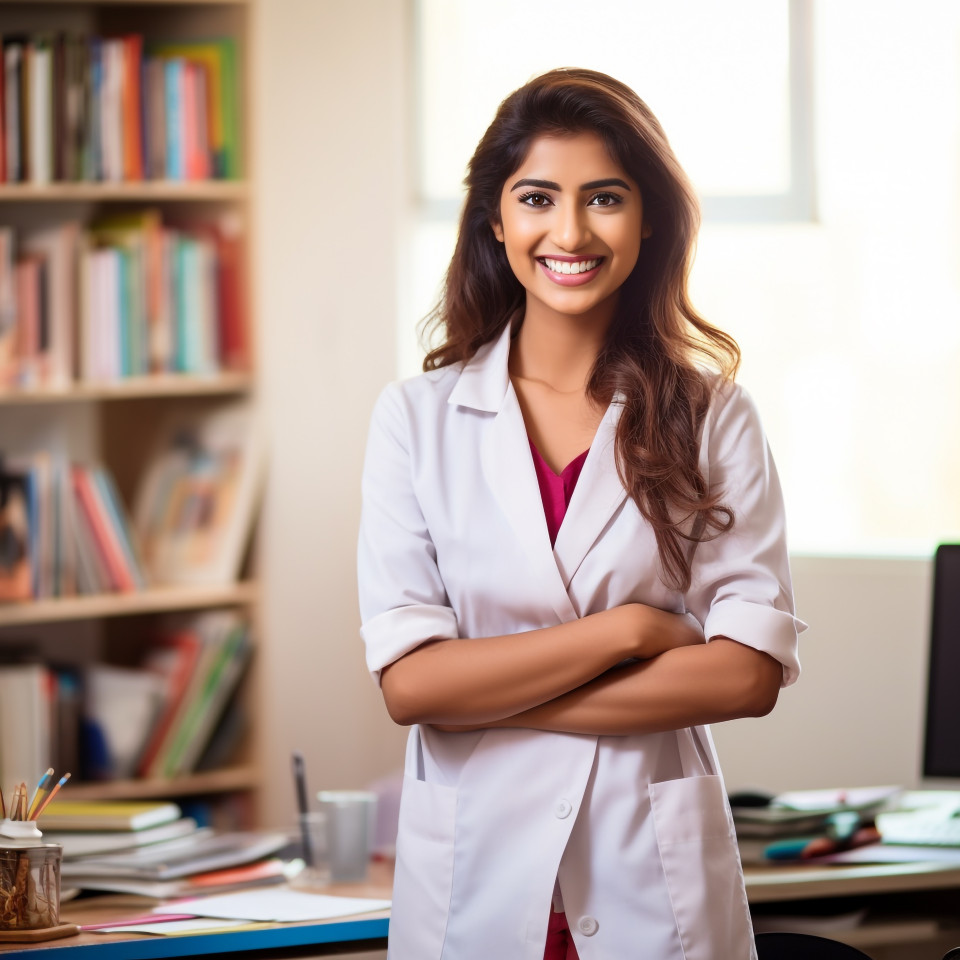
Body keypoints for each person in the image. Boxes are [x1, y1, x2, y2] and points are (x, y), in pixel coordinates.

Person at [358, 67, 804, 960]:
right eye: (537, 198)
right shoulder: (416, 419)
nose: (570, 233)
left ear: (649, 219)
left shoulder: (713, 416)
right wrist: (629, 631)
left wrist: (484, 695)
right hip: (477, 886)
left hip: (649, 885)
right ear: (495, 219)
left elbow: (745, 678)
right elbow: (411, 687)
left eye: (604, 198)